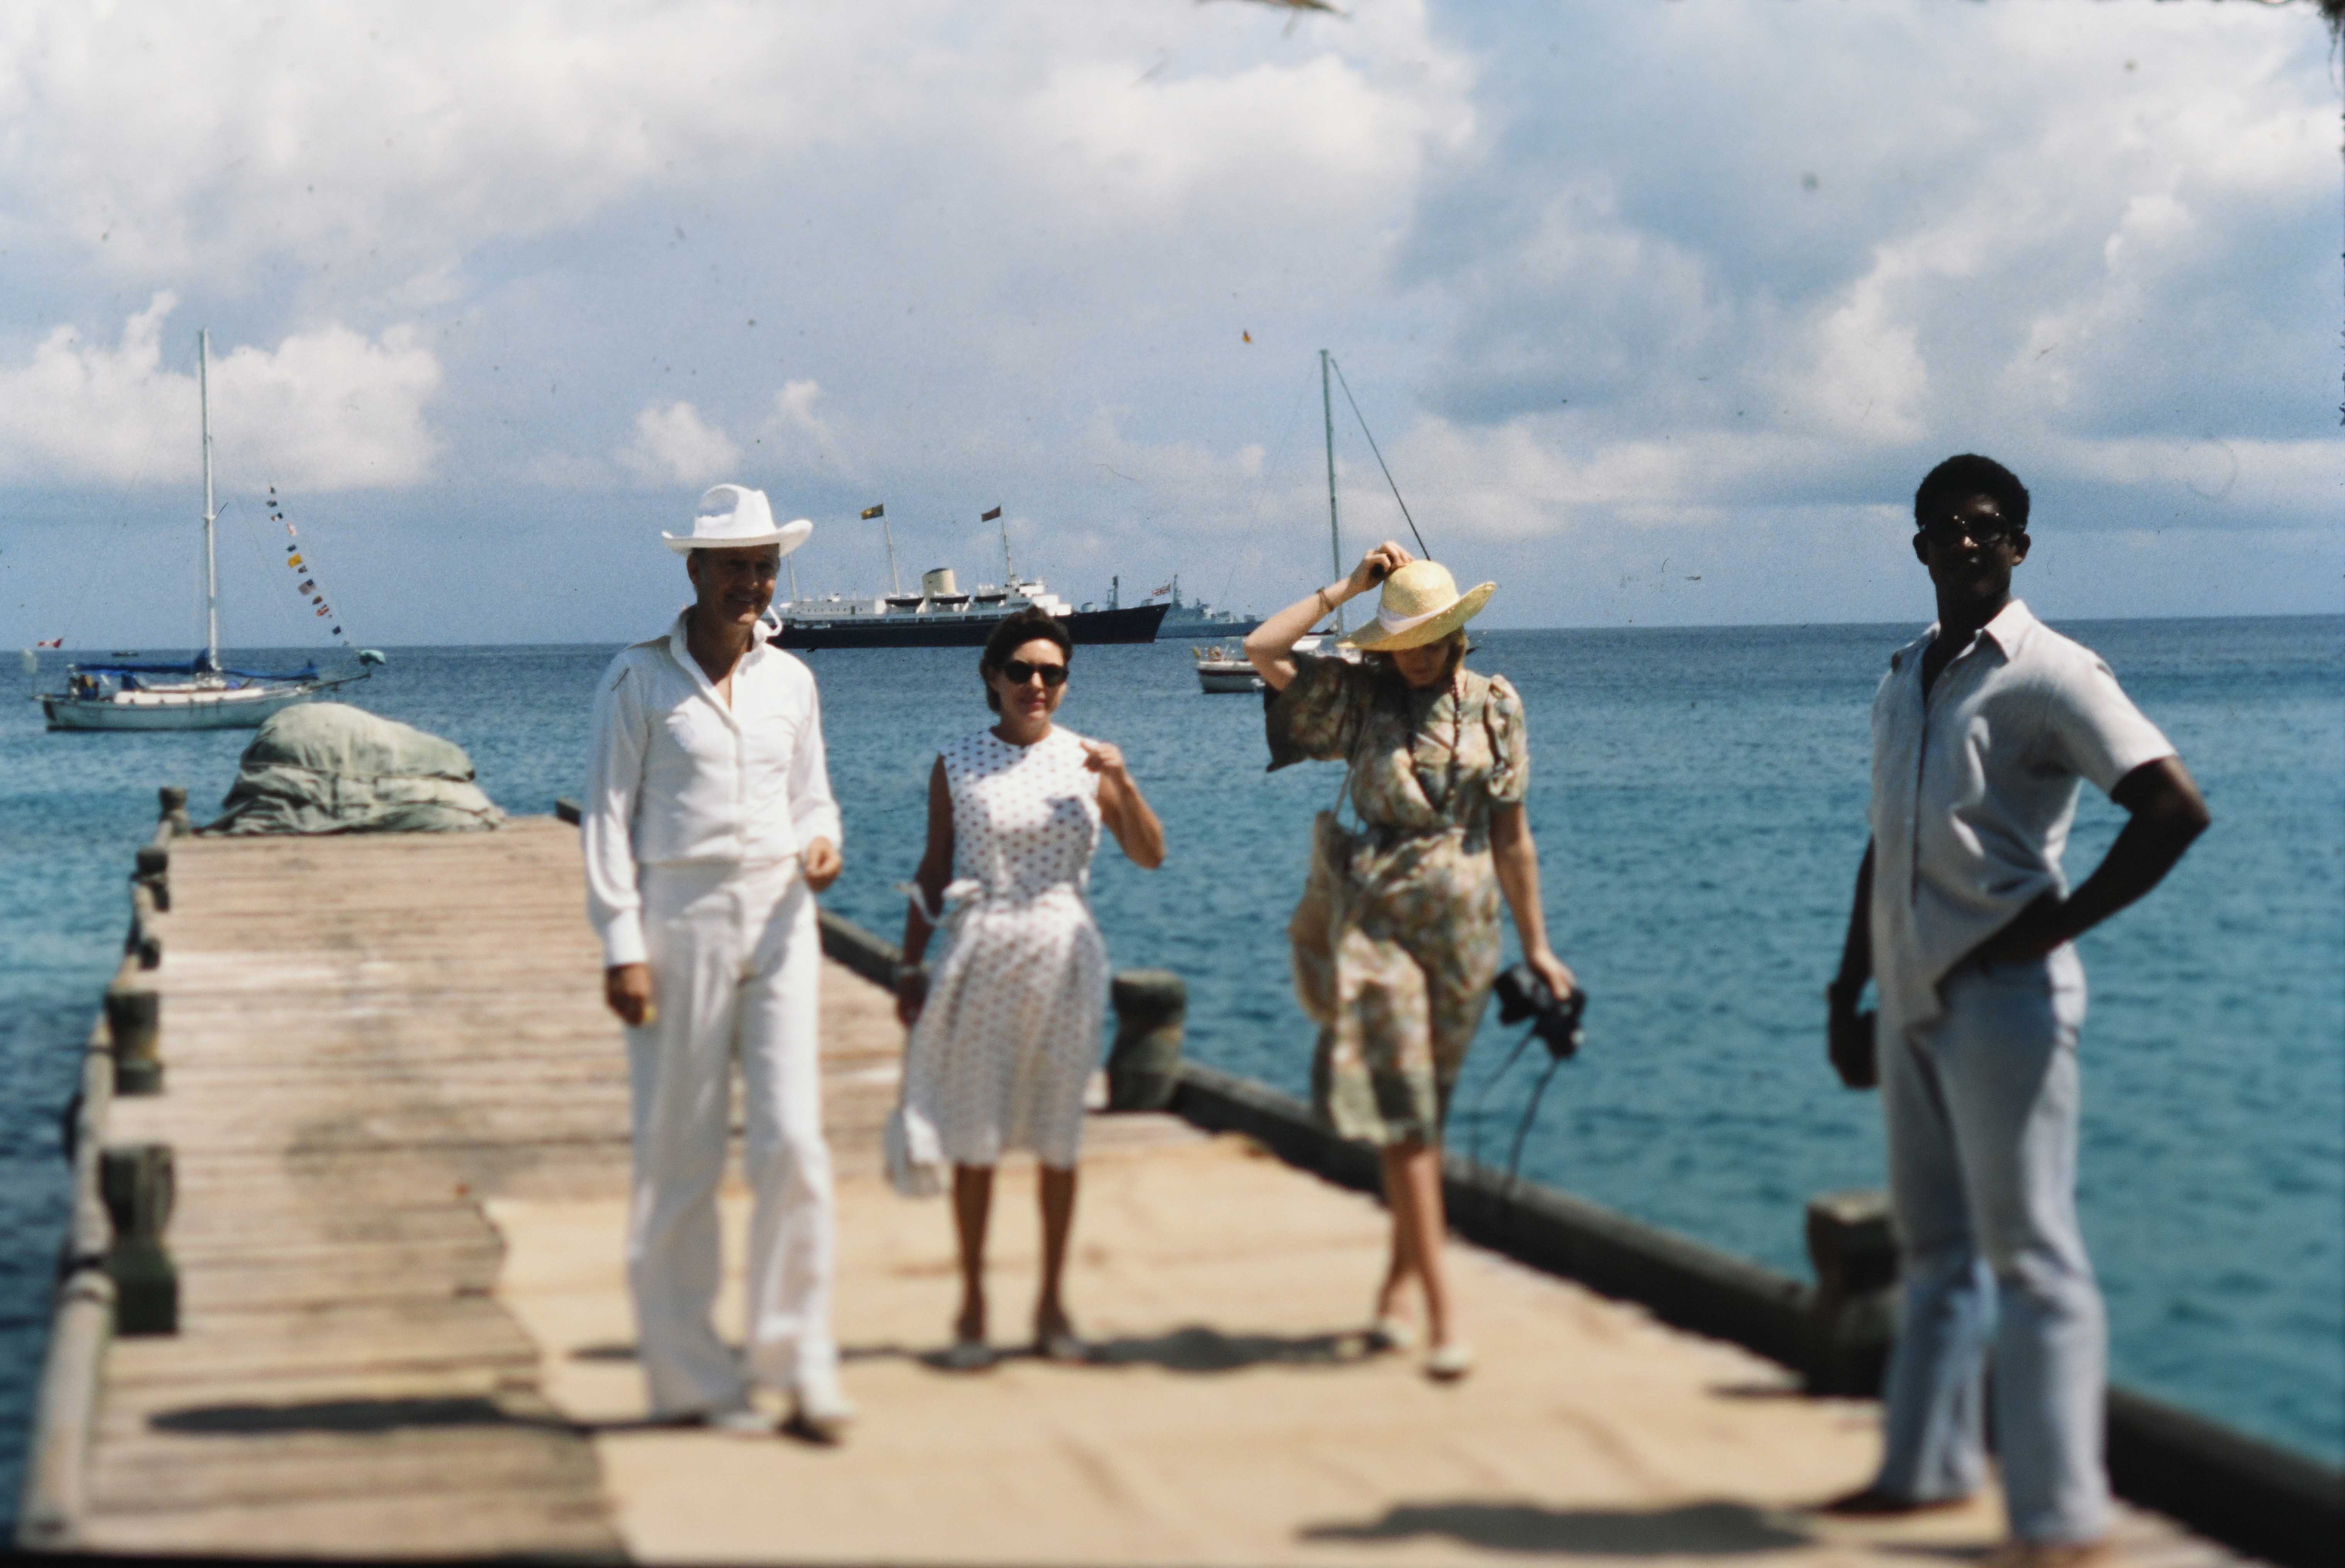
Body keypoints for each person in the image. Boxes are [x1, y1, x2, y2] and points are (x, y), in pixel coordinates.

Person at [1822, 455, 2210, 1563]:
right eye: (1945, 528)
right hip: (1907, 994)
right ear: (1918, 548)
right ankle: (1925, 1472)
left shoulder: (2051, 672)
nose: (1966, 542)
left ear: (2020, 545)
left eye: (1988, 528)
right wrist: (1846, 988)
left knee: (2031, 1259)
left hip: (2005, 998)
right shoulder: (1904, 675)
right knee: (1933, 1250)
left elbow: (2169, 809)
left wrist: (2059, 923)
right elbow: (1881, 843)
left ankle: (2058, 1519)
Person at [1243, 543, 1576, 1381]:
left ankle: (1394, 1290)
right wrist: (1349, 588)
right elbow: (1261, 648)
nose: (1419, 651)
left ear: (1456, 631)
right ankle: (1442, 1313)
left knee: (1419, 1120)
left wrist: (1537, 946)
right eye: (1403, 637)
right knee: (1408, 1120)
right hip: (1378, 921)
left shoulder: (1498, 705)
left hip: (1467, 927)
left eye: (1431, 633)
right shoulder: (1359, 702)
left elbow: (1512, 836)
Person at [582, 483, 854, 1443]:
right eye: (735, 563)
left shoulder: (795, 682)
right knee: (680, 1153)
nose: (753, 580)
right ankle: (689, 1375)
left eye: (765, 564)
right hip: (677, 919)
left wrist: (822, 841)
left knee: (795, 1145)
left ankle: (798, 1362)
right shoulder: (636, 679)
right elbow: (608, 820)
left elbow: (813, 797)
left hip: (782, 920)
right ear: (692, 570)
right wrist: (622, 945)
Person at [894, 606, 1165, 1368]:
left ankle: (1050, 1304)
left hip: (1063, 952)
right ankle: (975, 1307)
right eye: (1021, 670)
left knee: (1058, 1138)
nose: (1036, 684)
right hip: (979, 951)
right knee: (973, 1138)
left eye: (1051, 672)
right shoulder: (956, 761)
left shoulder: (1088, 760)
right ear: (992, 677)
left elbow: (1148, 855)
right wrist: (909, 964)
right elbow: (933, 867)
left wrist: (1123, 780)